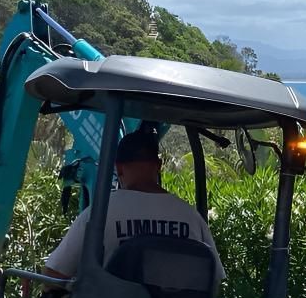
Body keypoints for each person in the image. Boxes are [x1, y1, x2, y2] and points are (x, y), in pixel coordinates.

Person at [41, 123, 225, 288]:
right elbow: (214, 279)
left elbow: (54, 275)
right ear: (158, 165)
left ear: (118, 168)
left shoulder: (101, 212)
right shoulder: (190, 216)